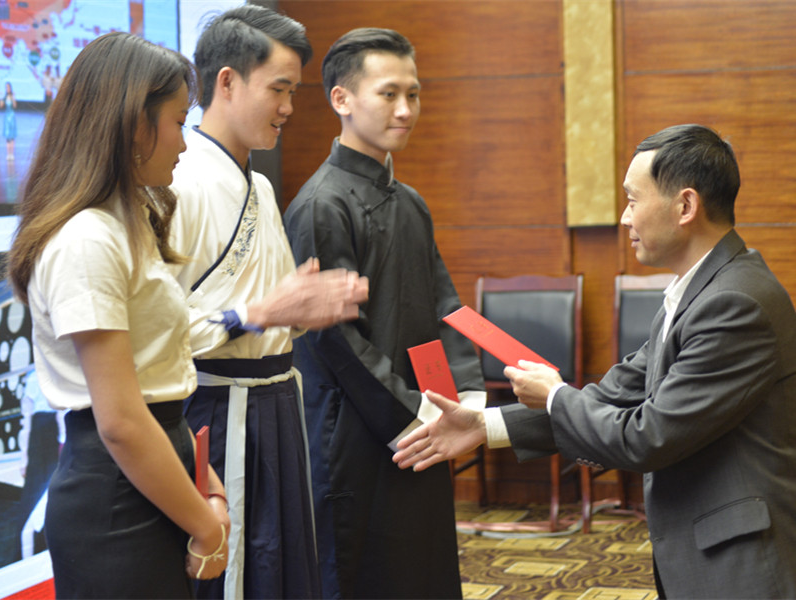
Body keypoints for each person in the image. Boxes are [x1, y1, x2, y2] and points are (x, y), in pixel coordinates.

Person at [394, 123, 796, 599]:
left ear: (685, 206)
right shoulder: (701, 289)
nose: (625, 218)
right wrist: (486, 426)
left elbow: (647, 436)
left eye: (632, 200)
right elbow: (614, 393)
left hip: (741, 564)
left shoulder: (734, 303)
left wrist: (555, 395)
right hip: (709, 547)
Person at [7, 32, 230, 598]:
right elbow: (122, 422)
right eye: (179, 122)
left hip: (150, 477)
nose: (185, 142)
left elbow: (155, 384)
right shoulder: (86, 238)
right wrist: (206, 527)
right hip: (116, 500)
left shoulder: (122, 221)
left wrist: (206, 484)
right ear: (134, 125)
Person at [168, 6, 367, 599]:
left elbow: (274, 309)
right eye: (278, 90)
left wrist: (301, 310)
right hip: (215, 410)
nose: (288, 107)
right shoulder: (178, 183)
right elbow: (155, 334)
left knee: (280, 572)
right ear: (227, 82)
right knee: (233, 573)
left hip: (277, 404)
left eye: (292, 92)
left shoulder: (258, 185)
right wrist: (258, 314)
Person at [284, 28, 486, 599]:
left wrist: (464, 401)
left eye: (413, 94)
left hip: (421, 424)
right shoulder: (321, 204)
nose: (405, 110)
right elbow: (334, 339)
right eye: (389, 94)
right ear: (341, 99)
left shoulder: (411, 201)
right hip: (355, 433)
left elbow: (444, 306)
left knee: (423, 574)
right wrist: (413, 416)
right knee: (364, 576)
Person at [0, 81, 16, 160]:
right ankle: (8, 154)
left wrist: (14, 98)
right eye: (6, 87)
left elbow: (15, 106)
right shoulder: (5, 97)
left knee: (12, 135)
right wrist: (0, 97)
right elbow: (1, 106)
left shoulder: (12, 96)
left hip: (12, 117)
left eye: (8, 87)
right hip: (7, 117)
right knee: (7, 135)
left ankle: (12, 154)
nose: (7, 89)